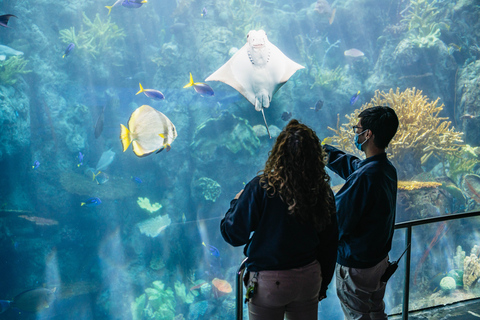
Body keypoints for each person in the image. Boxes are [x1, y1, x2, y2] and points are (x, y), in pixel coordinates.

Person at [220, 119, 338, 320]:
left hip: (269, 282)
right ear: (315, 156)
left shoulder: (262, 187)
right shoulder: (322, 190)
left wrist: (236, 202)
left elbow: (233, 234)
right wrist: (323, 283)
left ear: (279, 154)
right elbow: (330, 242)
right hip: (309, 278)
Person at [323, 106, 399, 320]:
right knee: (376, 312)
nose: (355, 132)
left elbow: (337, 221)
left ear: (368, 134)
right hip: (379, 262)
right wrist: (324, 151)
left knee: (358, 316)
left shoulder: (365, 177)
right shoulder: (386, 169)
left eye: (357, 128)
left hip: (357, 267)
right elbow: (357, 167)